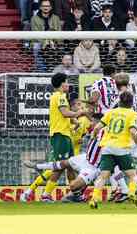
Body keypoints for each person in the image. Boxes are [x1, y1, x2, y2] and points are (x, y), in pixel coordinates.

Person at [20, 73, 85, 202]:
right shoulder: (60, 96)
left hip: (64, 134)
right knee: (60, 166)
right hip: (60, 135)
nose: (68, 84)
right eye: (66, 82)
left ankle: (75, 194)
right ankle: (46, 195)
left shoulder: (58, 97)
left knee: (69, 165)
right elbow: (65, 113)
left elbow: (62, 115)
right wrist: (80, 113)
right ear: (61, 84)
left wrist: (74, 121)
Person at [23, 113, 103, 203]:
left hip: (92, 166)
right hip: (84, 158)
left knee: (72, 184)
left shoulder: (105, 133)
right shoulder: (90, 129)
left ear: (99, 123)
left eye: (93, 122)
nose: (90, 124)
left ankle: (75, 195)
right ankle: (37, 167)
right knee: (63, 164)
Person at [89, 91, 137, 208]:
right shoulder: (131, 114)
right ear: (131, 103)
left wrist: (93, 136)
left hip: (107, 148)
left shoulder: (111, 112)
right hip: (122, 149)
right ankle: (131, 193)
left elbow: (97, 127)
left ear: (119, 101)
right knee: (132, 175)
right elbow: (133, 132)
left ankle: (94, 199)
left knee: (103, 176)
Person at [31, 0, 62, 72]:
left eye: (47, 6)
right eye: (44, 6)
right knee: (36, 46)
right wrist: (46, 41)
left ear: (51, 7)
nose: (46, 8)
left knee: (60, 47)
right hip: (40, 42)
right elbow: (36, 34)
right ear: (40, 7)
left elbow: (58, 32)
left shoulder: (56, 18)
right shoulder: (34, 18)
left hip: (54, 42)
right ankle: (42, 70)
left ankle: (54, 69)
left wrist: (51, 41)